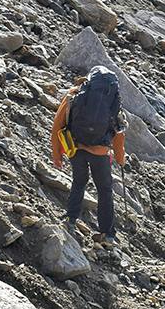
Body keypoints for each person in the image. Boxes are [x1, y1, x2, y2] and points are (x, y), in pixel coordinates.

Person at [49, 66, 126, 244]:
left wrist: (57, 154)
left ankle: (70, 219)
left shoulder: (74, 95)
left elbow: (57, 126)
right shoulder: (113, 102)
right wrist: (120, 160)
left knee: (79, 181)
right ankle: (107, 233)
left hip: (76, 148)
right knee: (104, 190)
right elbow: (119, 135)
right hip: (100, 152)